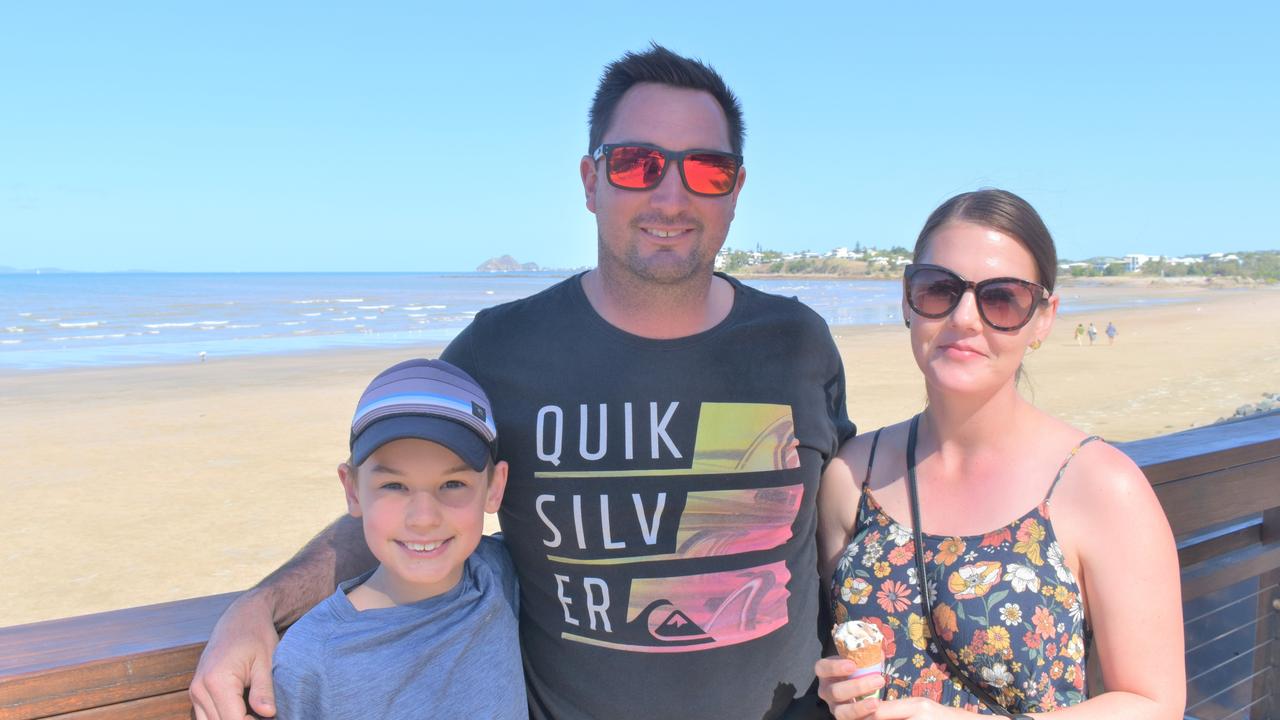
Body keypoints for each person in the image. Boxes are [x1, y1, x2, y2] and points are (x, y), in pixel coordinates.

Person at [190, 44, 854, 720]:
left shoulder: (797, 343)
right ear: (591, 181)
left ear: (736, 192)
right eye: (637, 163)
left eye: (707, 169)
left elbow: (844, 525)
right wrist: (258, 610)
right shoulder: (498, 350)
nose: (670, 195)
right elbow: (406, 498)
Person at [814, 190, 1184, 718]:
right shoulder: (854, 475)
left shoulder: (1100, 484)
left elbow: (1154, 704)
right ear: (907, 299)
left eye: (1001, 298)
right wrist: (839, 688)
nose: (965, 319)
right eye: (939, 289)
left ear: (1043, 318)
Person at [269, 359, 525, 719]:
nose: (423, 518)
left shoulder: (499, 573)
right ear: (353, 490)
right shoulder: (314, 658)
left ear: (494, 487)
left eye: (453, 484)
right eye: (394, 485)